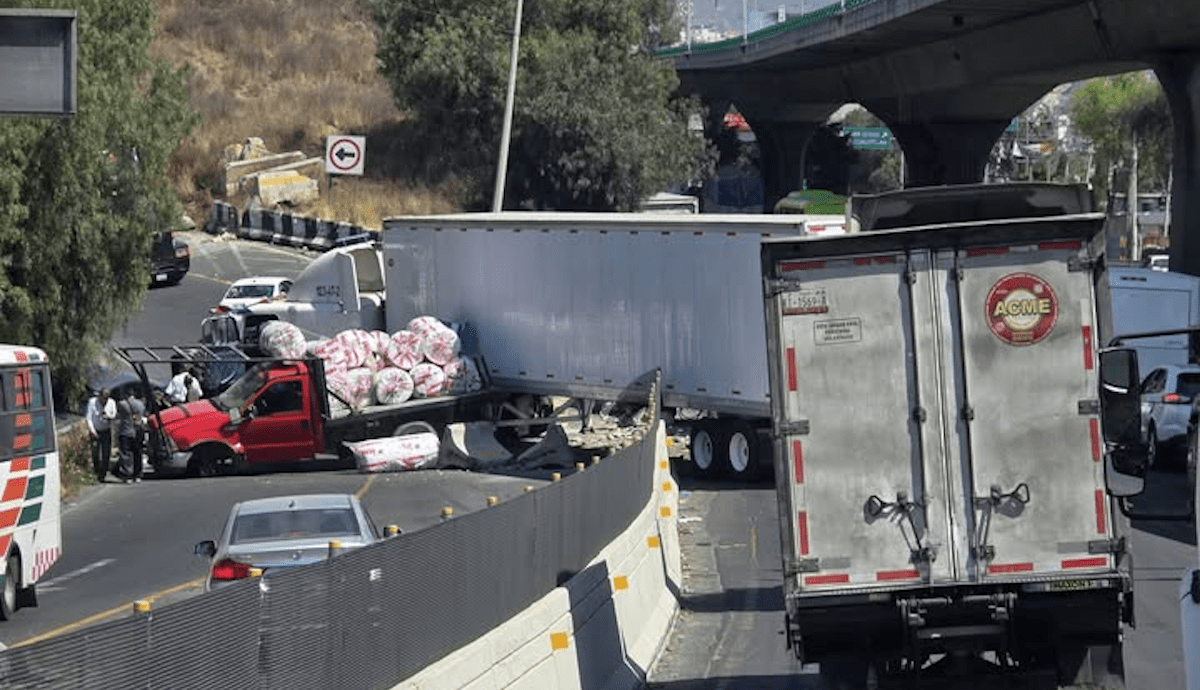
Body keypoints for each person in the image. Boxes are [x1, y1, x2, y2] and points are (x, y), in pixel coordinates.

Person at [85, 388, 117, 483]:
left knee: (106, 452)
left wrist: (108, 416)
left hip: (106, 430)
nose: (104, 400)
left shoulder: (111, 402)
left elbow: (114, 414)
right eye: (103, 398)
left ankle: (103, 473)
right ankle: (96, 472)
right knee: (96, 452)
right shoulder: (92, 402)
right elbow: (89, 417)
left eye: (106, 398)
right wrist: (92, 430)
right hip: (96, 430)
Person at [116, 390, 147, 483]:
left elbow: (118, 414)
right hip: (138, 431)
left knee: (126, 454)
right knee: (138, 453)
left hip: (126, 431)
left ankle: (127, 475)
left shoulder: (122, 404)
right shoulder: (140, 404)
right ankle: (138, 474)